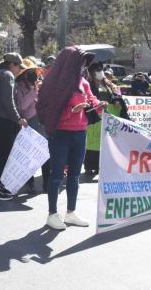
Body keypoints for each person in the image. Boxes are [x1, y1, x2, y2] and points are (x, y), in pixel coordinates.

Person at [37, 46, 106, 231]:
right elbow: (46, 109)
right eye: (81, 62)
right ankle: (52, 214)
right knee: (57, 175)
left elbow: (91, 99)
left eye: (85, 63)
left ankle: (71, 212)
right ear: (70, 62)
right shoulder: (54, 82)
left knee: (75, 175)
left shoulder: (83, 81)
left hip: (79, 132)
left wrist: (100, 104)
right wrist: (70, 111)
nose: (84, 66)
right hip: (60, 133)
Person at [0, 53, 27, 201]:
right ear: (12, 64)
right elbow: (8, 101)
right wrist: (18, 119)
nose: (19, 70)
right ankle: (0, 188)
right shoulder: (7, 75)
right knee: (4, 155)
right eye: (18, 67)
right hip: (3, 119)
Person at [84, 62, 128, 175]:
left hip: (108, 114)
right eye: (98, 70)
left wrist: (116, 100)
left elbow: (115, 95)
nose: (100, 72)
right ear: (92, 72)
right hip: (94, 116)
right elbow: (88, 98)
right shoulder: (88, 84)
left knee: (105, 141)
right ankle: (90, 165)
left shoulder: (107, 84)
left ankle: (102, 165)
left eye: (101, 70)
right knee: (93, 141)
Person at [14, 59, 49, 193]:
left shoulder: (40, 84)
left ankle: (47, 183)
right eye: (29, 72)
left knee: (45, 153)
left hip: (42, 121)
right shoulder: (19, 86)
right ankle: (29, 182)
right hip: (29, 122)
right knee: (30, 155)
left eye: (34, 71)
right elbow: (22, 106)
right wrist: (34, 90)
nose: (33, 74)